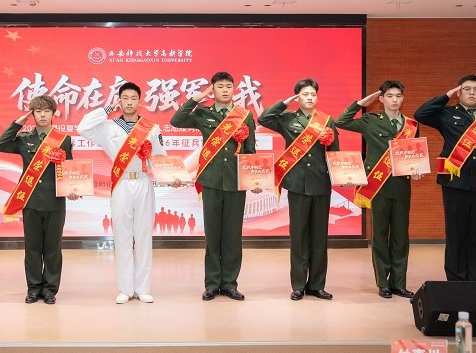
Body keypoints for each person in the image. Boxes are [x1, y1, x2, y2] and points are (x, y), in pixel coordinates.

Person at [414, 75, 476, 281]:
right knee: (456, 234)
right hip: (455, 182)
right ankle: (456, 281)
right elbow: (420, 114)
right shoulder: (446, 112)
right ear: (459, 92)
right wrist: (446, 96)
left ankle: (475, 279)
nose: (472, 93)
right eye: (467, 89)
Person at [77, 82, 169, 304]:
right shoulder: (107, 127)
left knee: (144, 234)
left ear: (140, 101)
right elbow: (83, 127)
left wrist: (171, 177)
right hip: (122, 183)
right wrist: (108, 108)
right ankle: (125, 289)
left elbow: (160, 158)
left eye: (133, 98)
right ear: (119, 100)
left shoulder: (151, 128)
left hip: (143, 182)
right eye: (124, 98)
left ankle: (143, 288)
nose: (129, 102)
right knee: (122, 235)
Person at [171, 72, 257, 302]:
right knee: (212, 235)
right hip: (211, 181)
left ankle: (229, 284)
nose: (225, 90)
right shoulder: (203, 113)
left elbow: (250, 151)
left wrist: (254, 180)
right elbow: (176, 121)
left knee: (233, 235)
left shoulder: (245, 116)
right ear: (213, 89)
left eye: (229, 86)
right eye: (220, 86)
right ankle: (211, 284)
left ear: (234, 89)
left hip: (236, 183)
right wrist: (196, 99)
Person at [336, 80, 421, 299]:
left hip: (401, 186)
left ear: (403, 98)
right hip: (377, 185)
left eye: (398, 96)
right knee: (380, 235)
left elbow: (413, 155)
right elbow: (341, 122)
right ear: (381, 99)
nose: (394, 100)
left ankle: (399, 283)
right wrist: (361, 103)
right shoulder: (370, 120)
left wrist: (417, 169)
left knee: (401, 236)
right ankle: (383, 282)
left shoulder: (411, 125)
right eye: (390, 96)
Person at [259, 78, 339, 301]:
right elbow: (264, 118)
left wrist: (345, 175)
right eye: (305, 94)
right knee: (299, 236)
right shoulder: (287, 118)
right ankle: (298, 285)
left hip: (320, 183)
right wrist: (284, 103)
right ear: (297, 97)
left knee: (319, 237)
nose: (310, 97)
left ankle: (317, 285)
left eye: (313, 94)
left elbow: (334, 153)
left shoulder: (327, 121)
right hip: (297, 183)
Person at [0, 95, 77, 305]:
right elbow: (1, 145)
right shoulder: (24, 139)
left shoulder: (63, 139)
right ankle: (33, 288)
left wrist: (73, 189)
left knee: (52, 249)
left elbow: (69, 168)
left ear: (53, 113)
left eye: (46, 111)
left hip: (55, 201)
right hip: (30, 200)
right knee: (32, 248)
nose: (42, 115)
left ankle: (50, 289)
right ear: (32, 114)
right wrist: (18, 124)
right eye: (38, 111)